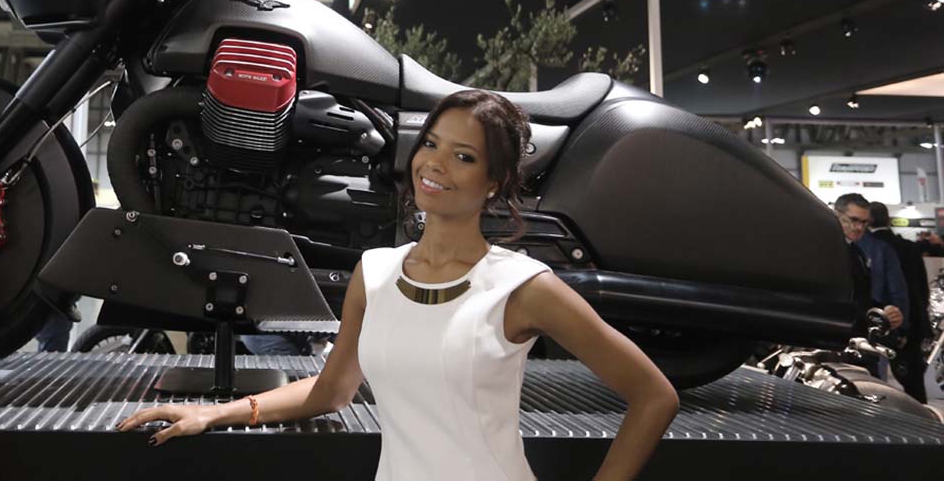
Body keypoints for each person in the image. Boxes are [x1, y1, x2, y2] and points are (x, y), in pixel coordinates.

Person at [118, 90, 679, 480]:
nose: (435, 164)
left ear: (494, 182)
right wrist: (215, 413)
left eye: (463, 156)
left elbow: (655, 396)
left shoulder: (521, 287)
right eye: (431, 144)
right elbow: (330, 391)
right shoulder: (376, 272)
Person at [867, 201, 930, 402]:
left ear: (868, 220)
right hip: (913, 322)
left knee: (873, 381)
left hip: (881, 322)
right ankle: (921, 418)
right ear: (888, 219)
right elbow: (923, 288)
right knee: (914, 382)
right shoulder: (909, 246)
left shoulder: (866, 247)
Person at [834, 194, 907, 331]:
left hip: (853, 332)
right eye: (854, 220)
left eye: (864, 222)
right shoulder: (825, 250)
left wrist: (884, 312)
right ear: (837, 215)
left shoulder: (856, 251)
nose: (859, 227)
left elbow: (862, 297)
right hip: (834, 332)